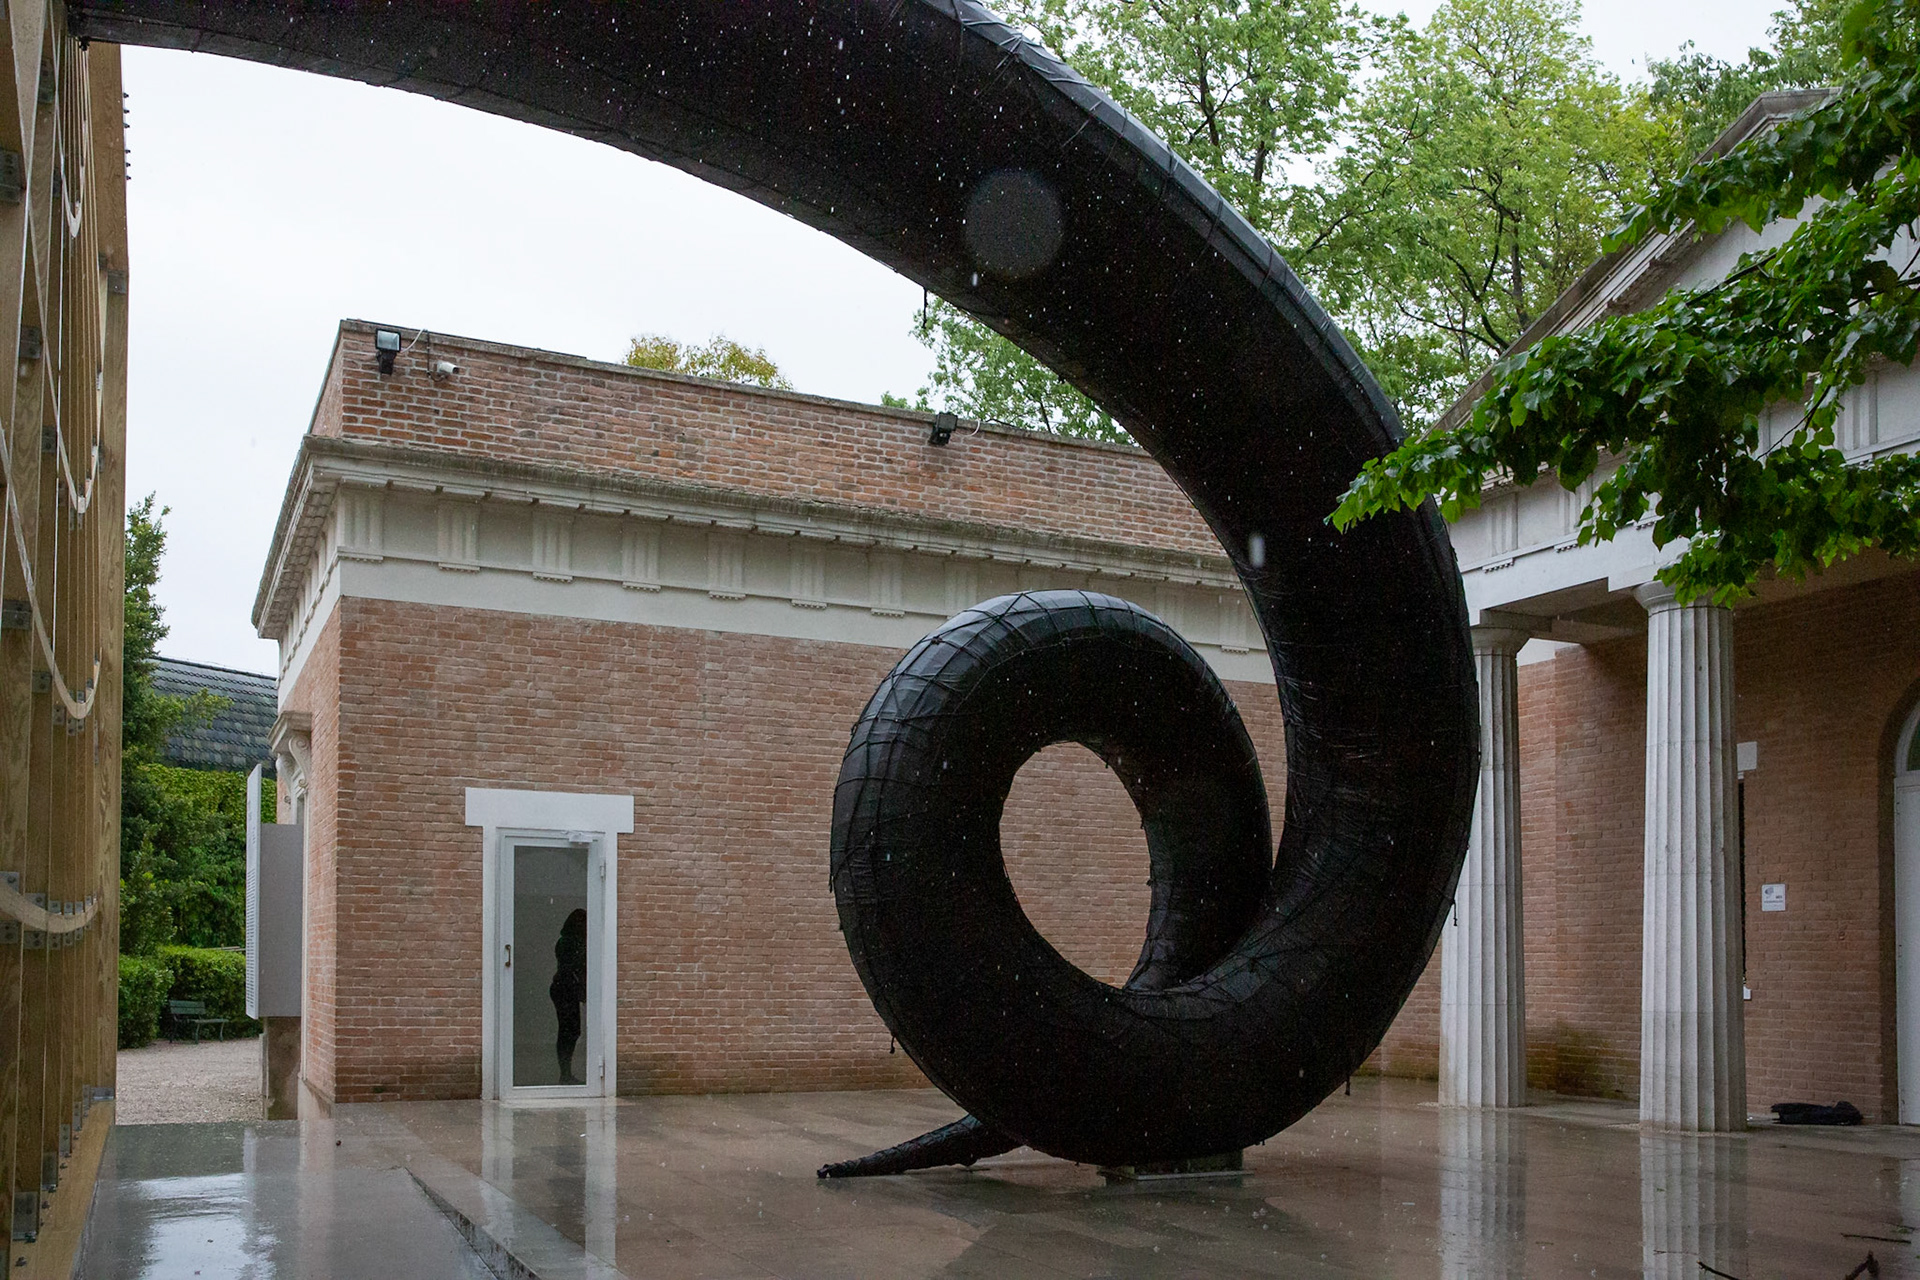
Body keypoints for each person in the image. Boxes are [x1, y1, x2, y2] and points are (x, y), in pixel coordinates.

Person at [549, 909, 588, 1085]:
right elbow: (573, 968)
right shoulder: (571, 942)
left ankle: (565, 1073)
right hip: (565, 989)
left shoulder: (567, 941)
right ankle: (565, 1074)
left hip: (564, 989)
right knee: (569, 1031)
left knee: (569, 1031)